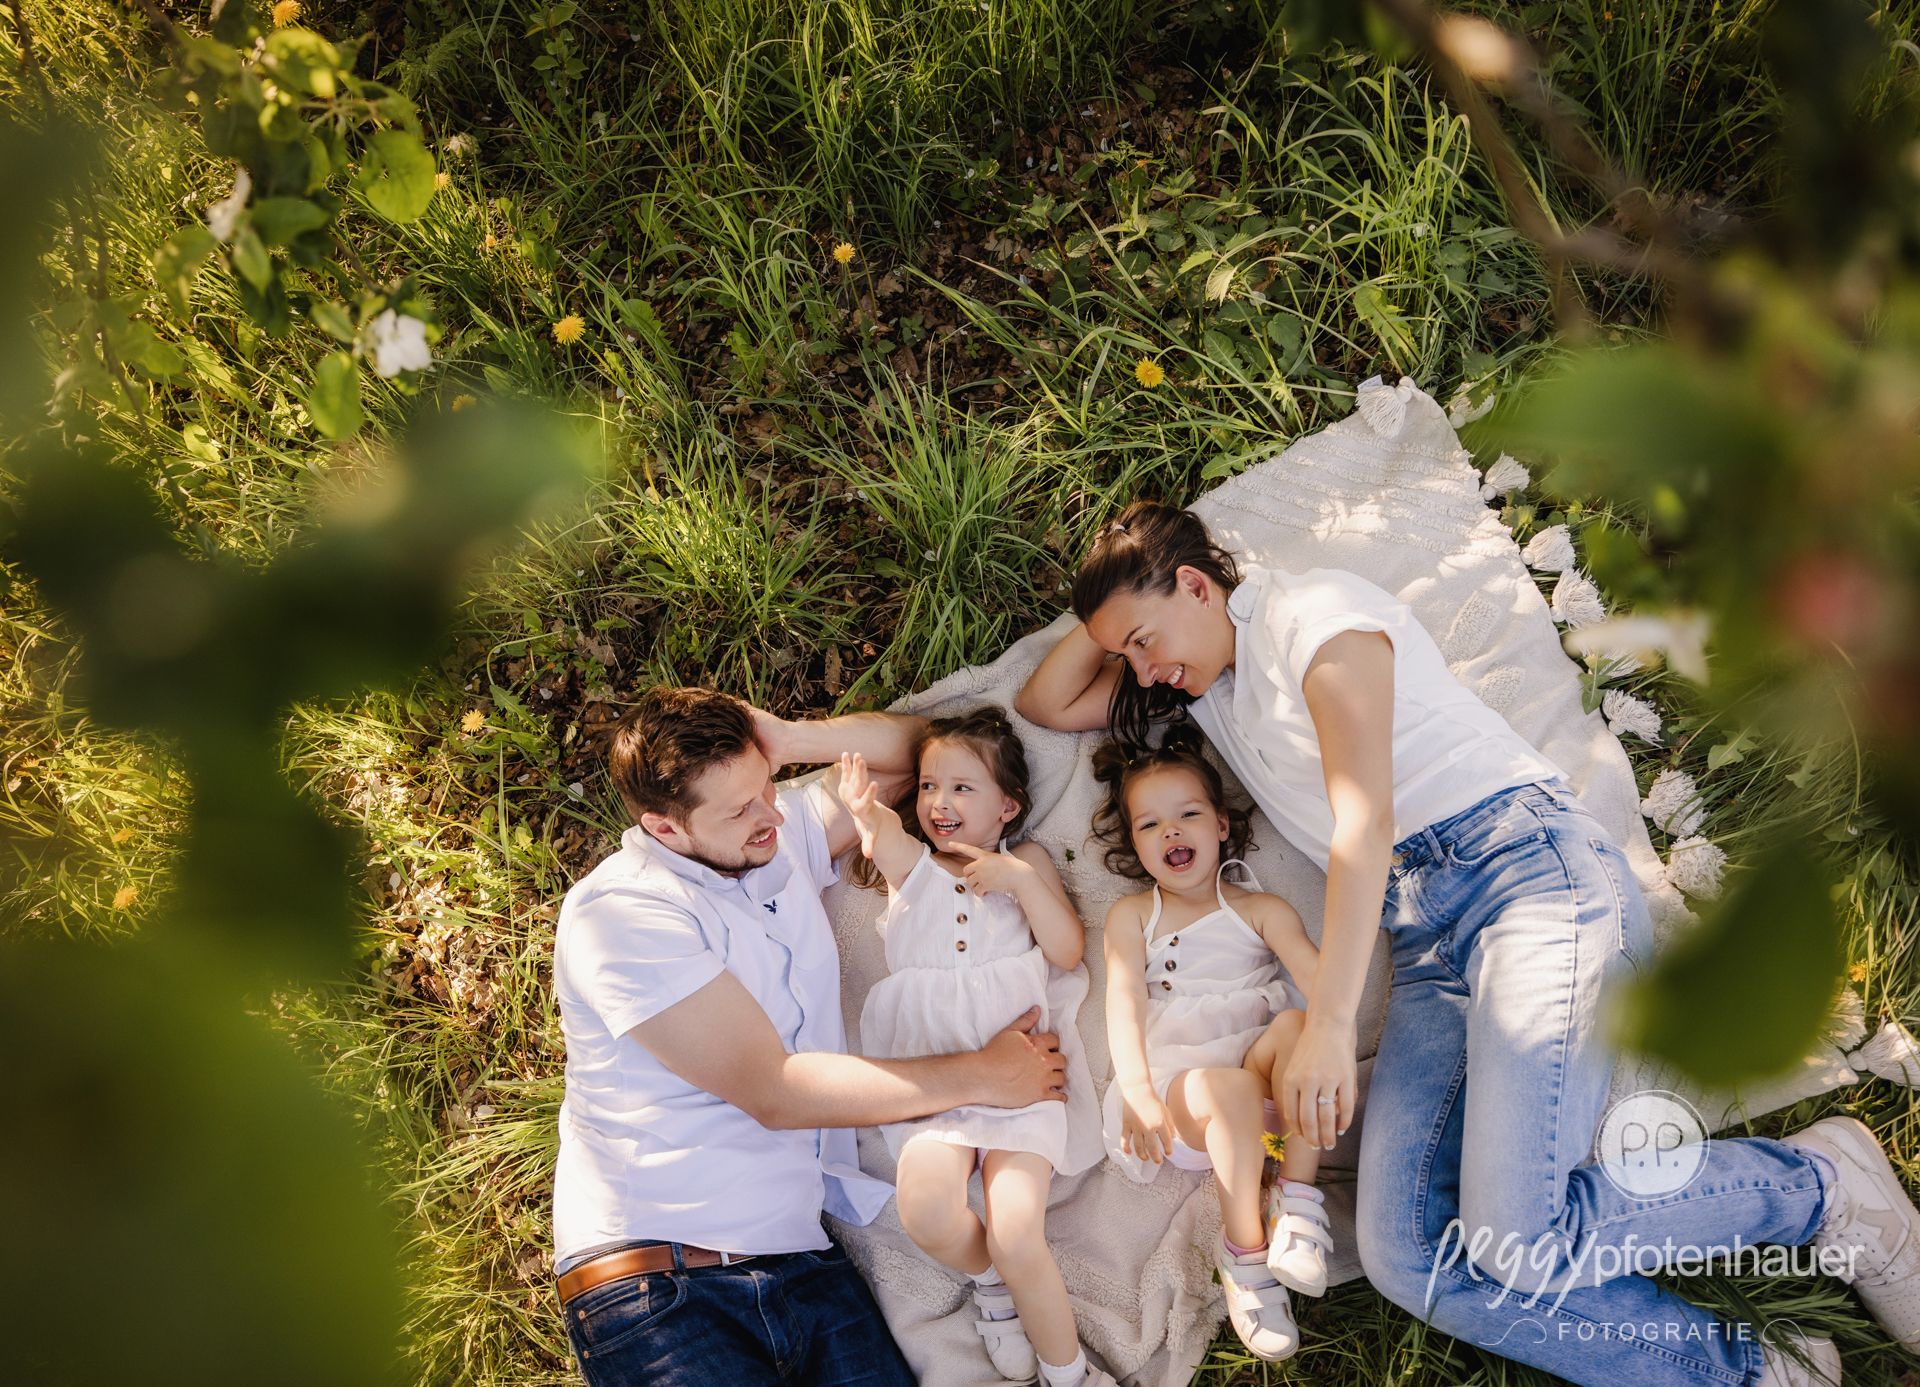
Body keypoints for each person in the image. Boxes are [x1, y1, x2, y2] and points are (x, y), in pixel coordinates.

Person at [1014, 499, 1920, 1387]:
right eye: (1125, 652)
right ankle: (1749, 1372)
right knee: (1410, 1255)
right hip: (1427, 945)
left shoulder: (1310, 615)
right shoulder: (1210, 691)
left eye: (1143, 638)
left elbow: (1363, 823)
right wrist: (1114, 610)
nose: (1141, 666)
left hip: (1528, 878)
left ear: (1195, 586)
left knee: (1520, 1239)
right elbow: (1045, 701)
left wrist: (1328, 1021)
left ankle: (1822, 1187)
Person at [551, 686, 1070, 1387]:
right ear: (665, 828)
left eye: (767, 787)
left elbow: (918, 747)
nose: (771, 812)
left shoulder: (772, 831)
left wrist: (790, 739)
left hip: (803, 1261)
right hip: (663, 1281)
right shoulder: (621, 914)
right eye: (740, 807)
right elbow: (776, 1089)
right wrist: (986, 1073)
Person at [839, 708, 1106, 1387]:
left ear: (1007, 805)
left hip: (1023, 1079)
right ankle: (987, 1279)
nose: (940, 801)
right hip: (941, 1081)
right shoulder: (917, 873)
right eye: (930, 785)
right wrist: (865, 814)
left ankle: (1069, 1373)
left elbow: (1068, 950)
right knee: (925, 1209)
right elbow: (885, 837)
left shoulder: (1027, 864)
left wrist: (1018, 879)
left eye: (962, 787)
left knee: (1020, 1230)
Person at [1090, 727, 1330, 1364]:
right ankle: (1245, 1252)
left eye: (1188, 814)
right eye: (1150, 825)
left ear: (1221, 825)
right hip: (1177, 1100)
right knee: (1224, 1089)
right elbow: (1123, 1000)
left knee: (1304, 1028)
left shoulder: (1260, 908)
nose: (1171, 833)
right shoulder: (1134, 916)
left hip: (1264, 1092)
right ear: (1134, 842)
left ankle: (1297, 1201)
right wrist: (1138, 1090)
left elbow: (1318, 980)